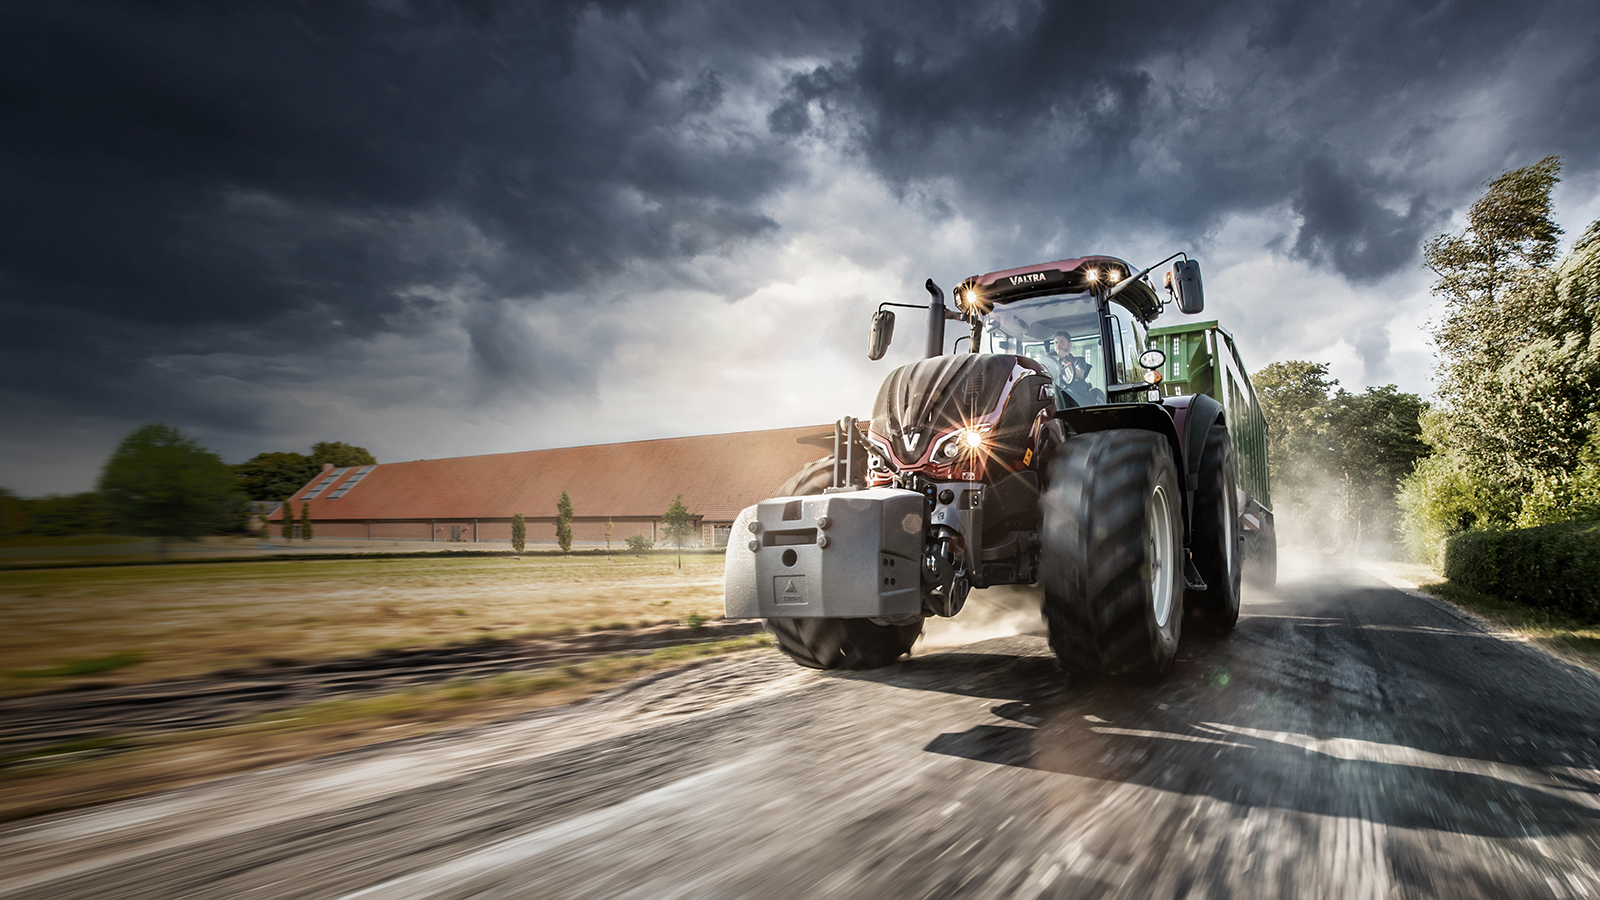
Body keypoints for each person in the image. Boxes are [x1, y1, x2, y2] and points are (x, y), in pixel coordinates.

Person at [1049, 331, 1104, 406]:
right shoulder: (1051, 363)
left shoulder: (1079, 360)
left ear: (1069, 345)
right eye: (1056, 342)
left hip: (1077, 399)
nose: (1058, 345)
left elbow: (1080, 374)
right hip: (1058, 397)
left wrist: (1065, 360)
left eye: (1062, 342)